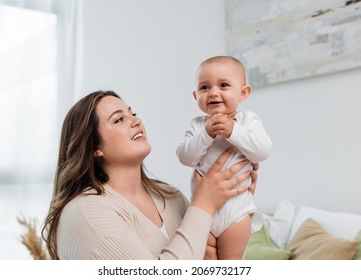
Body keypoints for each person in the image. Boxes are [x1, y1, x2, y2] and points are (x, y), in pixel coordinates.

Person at [41, 90, 258, 260]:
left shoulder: (170, 197)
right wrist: (204, 205)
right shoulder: (85, 214)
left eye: (132, 113)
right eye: (119, 120)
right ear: (94, 147)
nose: (136, 120)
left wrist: (232, 204)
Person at [176, 56, 272, 260]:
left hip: (236, 212)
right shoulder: (197, 125)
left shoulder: (248, 121)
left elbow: (262, 151)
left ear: (243, 93)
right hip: (203, 214)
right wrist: (205, 135)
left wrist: (233, 132)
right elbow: (185, 157)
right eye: (204, 87)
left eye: (224, 85)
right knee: (207, 263)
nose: (213, 92)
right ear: (195, 96)